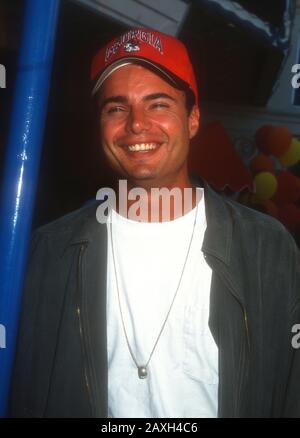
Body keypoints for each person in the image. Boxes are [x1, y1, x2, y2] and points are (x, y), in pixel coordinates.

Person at [9, 27, 300, 418]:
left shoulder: (266, 246)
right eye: (116, 107)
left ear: (193, 119)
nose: (136, 124)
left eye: (158, 104)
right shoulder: (50, 250)